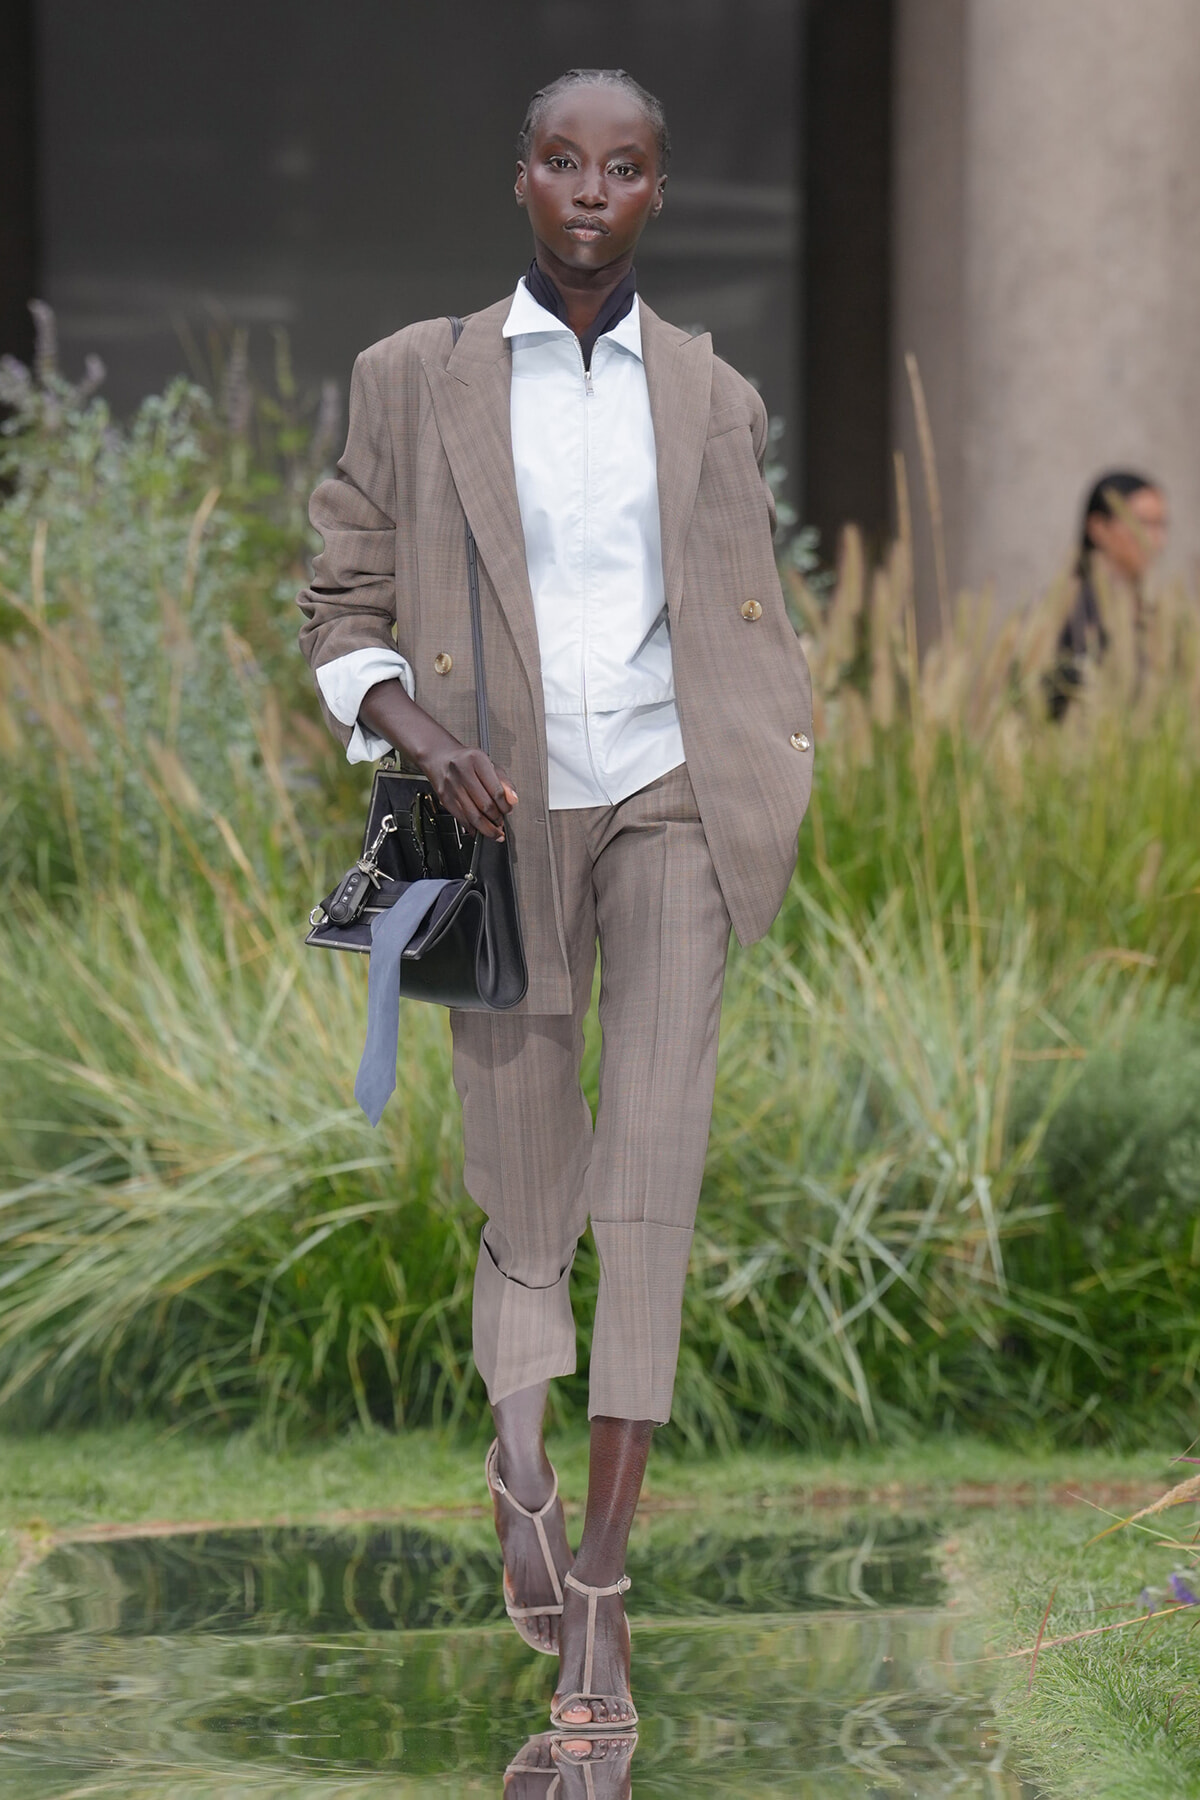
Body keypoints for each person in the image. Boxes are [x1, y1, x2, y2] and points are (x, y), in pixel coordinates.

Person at [297, 68, 813, 1732]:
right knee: (526, 1199)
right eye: (565, 162)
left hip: (674, 806)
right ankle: (514, 1464)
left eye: (629, 168)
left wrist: (775, 746)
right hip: (492, 814)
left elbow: (741, 606)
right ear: (522, 179)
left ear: (658, 194)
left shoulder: (716, 395)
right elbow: (338, 605)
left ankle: (601, 1588)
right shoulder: (410, 379)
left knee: (647, 1182)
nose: (594, 191)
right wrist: (427, 736)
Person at [1047, 469, 1168, 719]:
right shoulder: (1065, 614)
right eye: (1143, 523)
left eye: (1161, 525)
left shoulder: (1163, 616)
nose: (1157, 540)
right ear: (1098, 527)